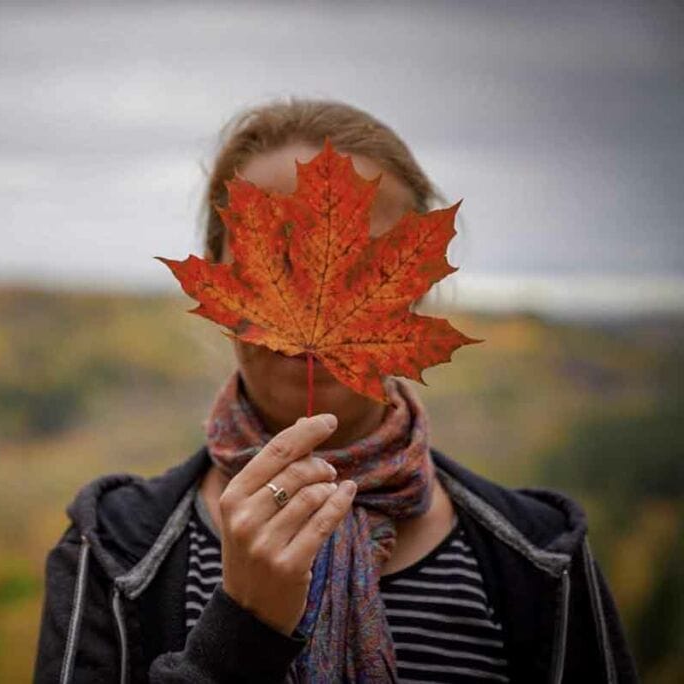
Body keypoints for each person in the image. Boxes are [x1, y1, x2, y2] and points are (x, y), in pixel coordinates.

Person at [32, 98, 638, 683]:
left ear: (417, 287)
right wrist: (241, 632)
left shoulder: (538, 560)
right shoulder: (115, 549)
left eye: (365, 267)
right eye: (271, 265)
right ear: (218, 286)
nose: (308, 296)